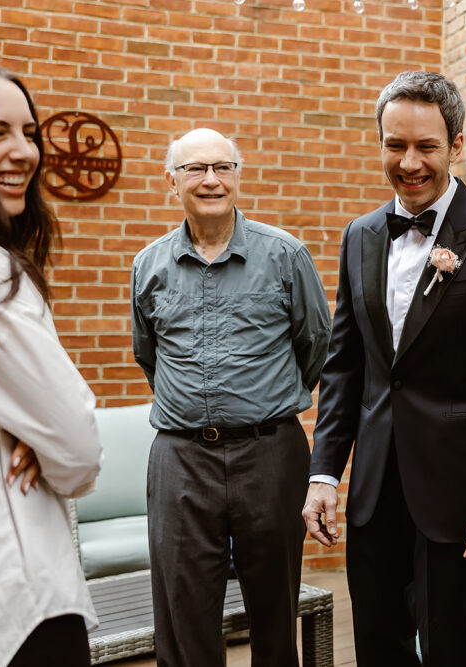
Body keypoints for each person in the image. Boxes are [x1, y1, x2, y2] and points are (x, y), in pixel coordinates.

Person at [302, 71, 466, 667]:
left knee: (449, 647)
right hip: (374, 489)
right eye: (395, 145)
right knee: (379, 643)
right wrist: (324, 474)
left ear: (456, 144)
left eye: (426, 146)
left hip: (458, 495)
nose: (409, 162)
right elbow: (345, 366)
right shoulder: (359, 235)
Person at [130, 128, 331, 667]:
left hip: (269, 454)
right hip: (180, 459)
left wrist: (257, 402)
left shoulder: (285, 255)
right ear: (171, 181)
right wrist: (194, 407)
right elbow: (149, 355)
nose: (211, 180)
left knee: (274, 609)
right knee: (182, 611)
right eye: (195, 169)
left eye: (223, 167)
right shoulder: (147, 265)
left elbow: (317, 345)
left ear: (239, 176)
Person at [0, 58, 103, 667]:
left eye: (29, 132)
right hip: (11, 605)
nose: (24, 152)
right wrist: (46, 436)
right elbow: (80, 448)